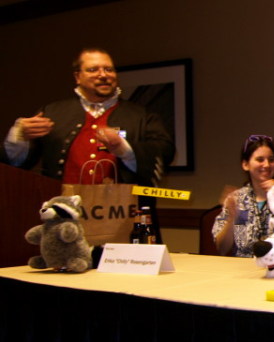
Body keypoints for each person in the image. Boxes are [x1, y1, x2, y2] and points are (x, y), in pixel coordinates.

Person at [1, 47, 175, 241]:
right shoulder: (54, 112)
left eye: (109, 69)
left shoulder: (141, 115)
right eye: (93, 70)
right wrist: (19, 136)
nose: (103, 75)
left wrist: (124, 149)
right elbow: (15, 164)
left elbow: (165, 151)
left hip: (124, 221)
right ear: (78, 76)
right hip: (64, 221)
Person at [212, 134, 274, 257]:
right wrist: (232, 218)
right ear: (245, 165)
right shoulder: (237, 199)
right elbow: (222, 249)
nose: (266, 165)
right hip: (242, 268)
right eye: (260, 160)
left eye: (271, 159)